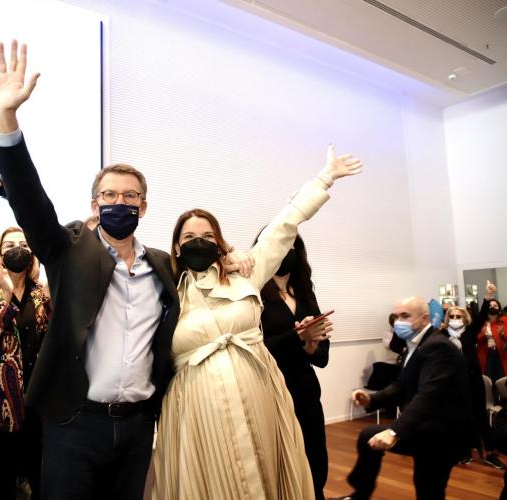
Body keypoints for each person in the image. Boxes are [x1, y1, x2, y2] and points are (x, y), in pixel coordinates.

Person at [0, 41, 183, 500]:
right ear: (94, 205)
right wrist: (5, 120)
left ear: (143, 207)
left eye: (130, 196)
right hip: (75, 422)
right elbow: (30, 199)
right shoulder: (66, 249)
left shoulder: (163, 266)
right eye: (109, 196)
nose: (119, 203)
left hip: (137, 427)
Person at [153, 144, 363, 499]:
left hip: (259, 396)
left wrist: (324, 178)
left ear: (220, 243)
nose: (198, 242)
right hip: (195, 409)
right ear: (176, 247)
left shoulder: (245, 275)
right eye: (189, 237)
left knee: (265, 476)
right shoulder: (166, 292)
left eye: (207, 236)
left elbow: (283, 227)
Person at [343, 296, 473, 500]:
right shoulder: (415, 344)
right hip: (425, 427)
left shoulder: (438, 346)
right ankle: (360, 494)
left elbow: (428, 396)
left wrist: (393, 432)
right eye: (396, 316)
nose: (398, 322)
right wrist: (372, 400)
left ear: (425, 318)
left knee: (429, 490)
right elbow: (401, 384)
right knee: (368, 435)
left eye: (405, 316)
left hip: (443, 434)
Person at [0, 227, 50, 500]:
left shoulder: (40, 295)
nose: (18, 249)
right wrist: (6, 298)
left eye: (24, 245)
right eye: (10, 245)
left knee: (42, 483)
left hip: (36, 406)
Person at [257, 233, 331, 500]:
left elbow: (322, 357)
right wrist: (298, 336)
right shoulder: (254, 294)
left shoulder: (305, 293)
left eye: (291, 247)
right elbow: (257, 347)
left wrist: (310, 346)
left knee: (315, 463)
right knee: (282, 467)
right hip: (271, 391)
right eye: (280, 245)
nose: (285, 252)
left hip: (306, 390)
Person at [447, 281, 506, 469]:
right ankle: (465, 451)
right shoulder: (442, 336)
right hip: (453, 384)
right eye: (452, 316)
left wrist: (488, 297)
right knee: (460, 417)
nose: (455, 319)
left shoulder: (469, 333)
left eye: (458, 316)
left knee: (480, 416)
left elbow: (481, 316)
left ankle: (488, 452)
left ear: (464, 319)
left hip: (473, 381)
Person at [477, 292, 507, 382]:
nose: (492, 307)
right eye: (490, 305)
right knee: (488, 379)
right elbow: (476, 340)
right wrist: (483, 333)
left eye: (495, 305)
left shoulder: (505, 320)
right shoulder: (480, 322)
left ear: (499, 309)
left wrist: (503, 334)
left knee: (502, 379)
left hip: (502, 354)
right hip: (486, 355)